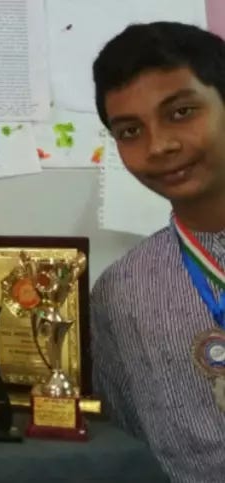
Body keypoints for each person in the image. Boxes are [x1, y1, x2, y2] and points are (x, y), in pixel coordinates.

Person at [90, 21, 225, 482]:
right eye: (130, 131)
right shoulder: (121, 293)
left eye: (182, 112)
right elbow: (128, 448)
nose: (160, 145)